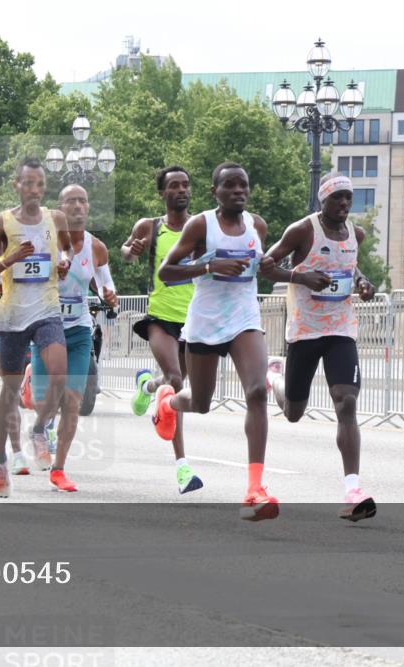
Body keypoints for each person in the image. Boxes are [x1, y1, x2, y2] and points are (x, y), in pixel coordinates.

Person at [152, 162, 279, 521]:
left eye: (243, 185)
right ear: (214, 192)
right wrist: (208, 267)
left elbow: (260, 267)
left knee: (257, 391)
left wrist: (274, 268)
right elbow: (166, 272)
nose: (238, 191)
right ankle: (168, 403)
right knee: (201, 402)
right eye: (230, 185)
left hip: (244, 319)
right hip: (206, 322)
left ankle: (254, 489)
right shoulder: (200, 225)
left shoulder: (257, 226)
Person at [259, 172, 378, 522]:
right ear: (322, 200)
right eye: (337, 197)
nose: (344, 203)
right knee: (294, 412)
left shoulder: (356, 234)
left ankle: (353, 491)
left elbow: (351, 267)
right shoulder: (302, 230)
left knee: (347, 401)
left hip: (341, 329)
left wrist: (363, 282)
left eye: (348, 198)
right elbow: (265, 266)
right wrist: (301, 277)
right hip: (305, 331)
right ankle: (274, 378)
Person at [0, 158, 72, 498]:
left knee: (60, 374)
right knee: (11, 391)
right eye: (28, 183)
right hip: (13, 316)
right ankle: (1, 461)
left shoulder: (55, 218)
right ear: (16, 185)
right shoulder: (2, 223)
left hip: (47, 310)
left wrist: (65, 261)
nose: (34, 189)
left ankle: (39, 429)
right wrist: (9, 259)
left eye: (39, 184)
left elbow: (67, 248)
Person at [29, 184, 118, 492]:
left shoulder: (97, 248)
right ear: (60, 208)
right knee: (46, 402)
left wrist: (111, 295)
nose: (78, 206)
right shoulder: (43, 241)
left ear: (88, 207)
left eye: (83, 201)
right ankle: (39, 427)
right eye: (71, 201)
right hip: (46, 326)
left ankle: (59, 469)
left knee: (73, 400)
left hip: (79, 330)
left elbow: (106, 285)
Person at [120, 166, 202, 495]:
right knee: (177, 382)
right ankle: (183, 467)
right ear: (162, 193)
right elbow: (126, 253)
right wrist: (132, 251)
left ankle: (147, 385)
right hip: (160, 318)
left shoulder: (201, 227)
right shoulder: (150, 226)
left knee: (173, 384)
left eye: (185, 185)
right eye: (174, 185)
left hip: (194, 321)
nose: (181, 190)